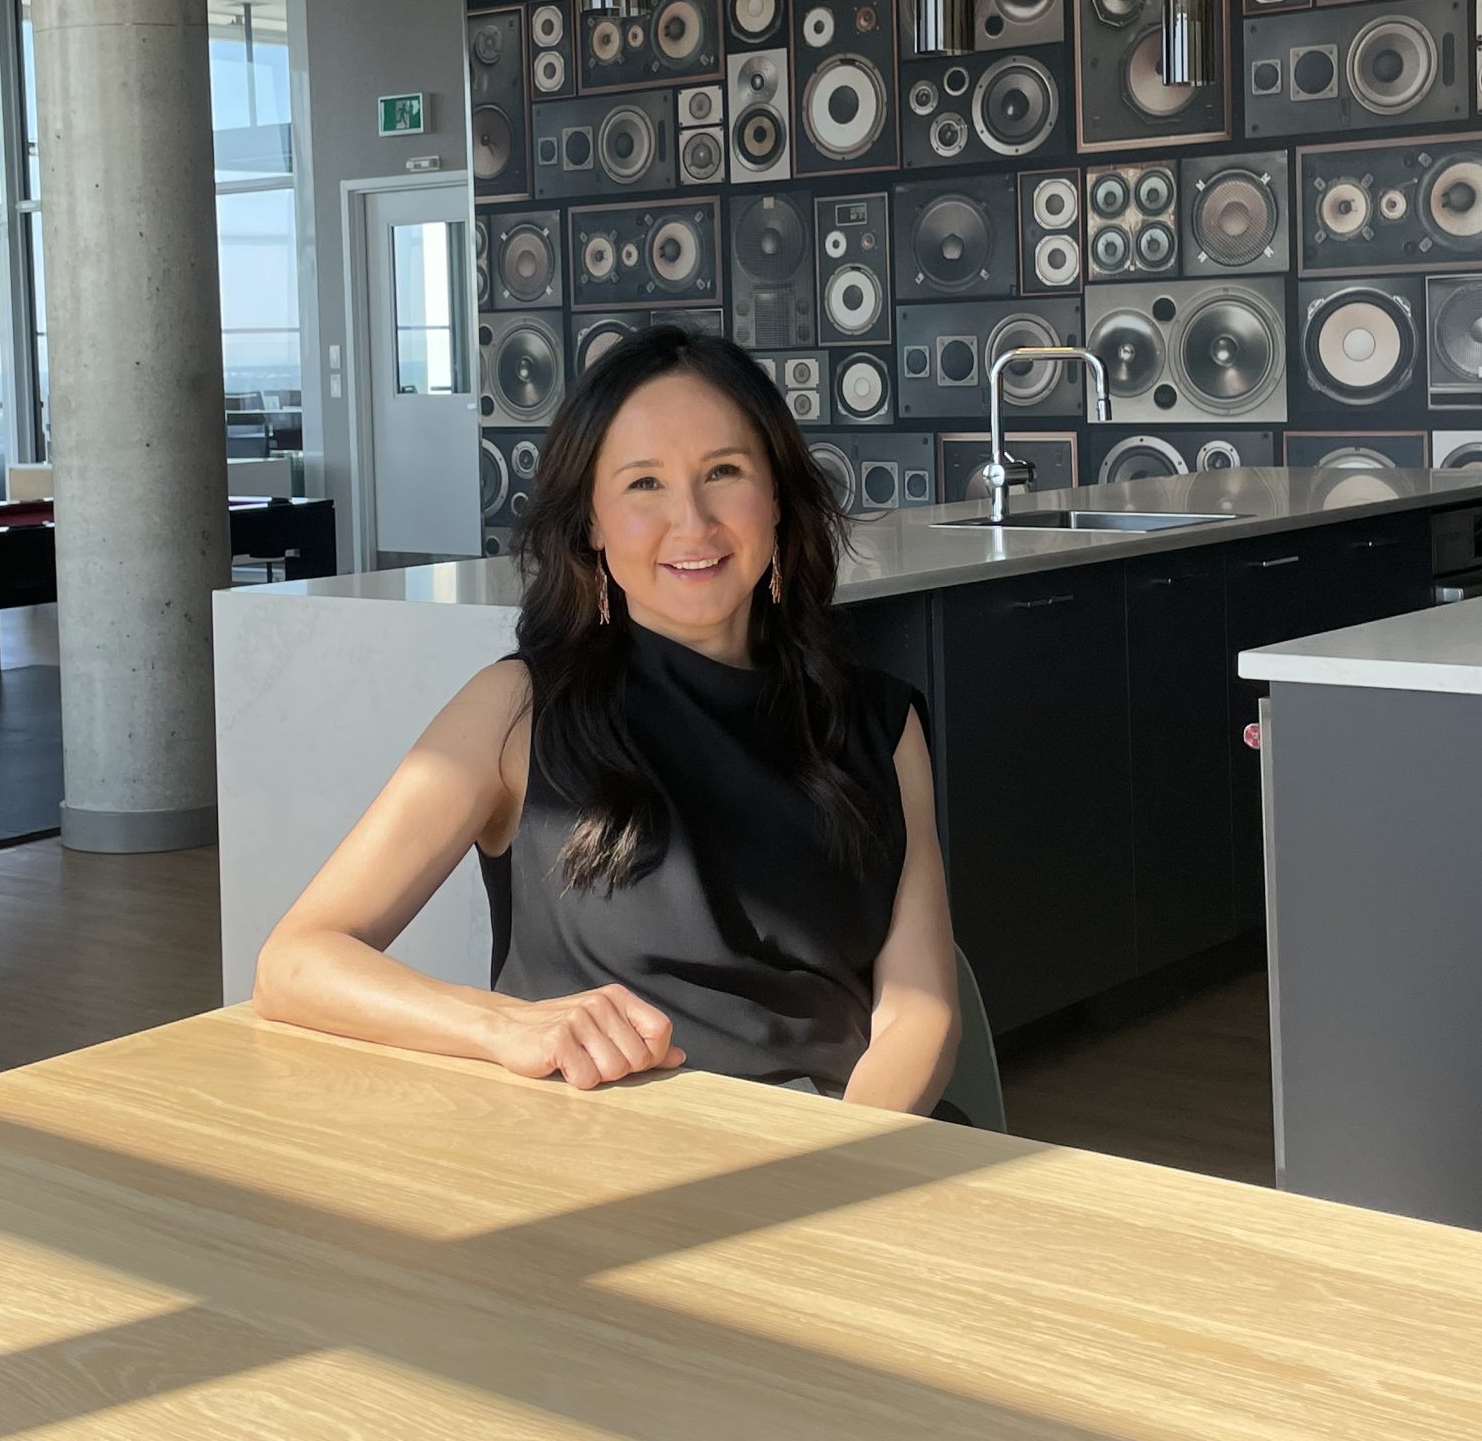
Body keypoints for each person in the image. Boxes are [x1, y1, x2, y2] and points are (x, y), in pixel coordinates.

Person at [253, 325, 961, 1115]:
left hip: (837, 1149)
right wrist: (503, 1025)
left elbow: (919, 1009)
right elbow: (296, 960)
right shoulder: (515, 711)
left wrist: (844, 1162)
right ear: (590, 522)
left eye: (722, 472)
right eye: (644, 484)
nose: (691, 523)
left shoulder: (879, 722)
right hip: (596, 1173)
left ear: (777, 501)